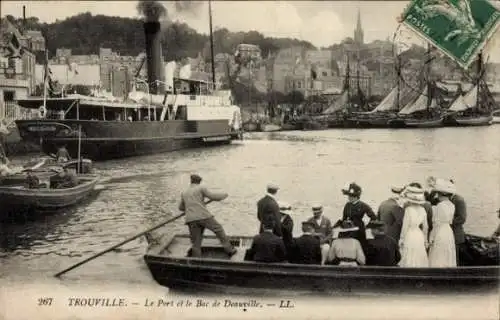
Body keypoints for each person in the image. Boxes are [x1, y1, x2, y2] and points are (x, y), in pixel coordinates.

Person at [179, 174, 237, 258]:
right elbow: (213, 197)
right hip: (203, 216)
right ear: (199, 182)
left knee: (196, 242)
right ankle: (230, 250)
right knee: (218, 229)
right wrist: (223, 196)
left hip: (190, 219)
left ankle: (196, 259)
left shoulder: (184, 192)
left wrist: (191, 206)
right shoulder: (201, 188)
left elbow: (181, 208)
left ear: (191, 181)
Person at [427, 176, 468, 266]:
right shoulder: (441, 199)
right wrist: (433, 188)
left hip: (454, 232)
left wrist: (447, 223)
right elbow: (430, 201)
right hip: (445, 232)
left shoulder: (459, 200)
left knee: (452, 257)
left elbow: (462, 218)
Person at [428, 179, 457, 267]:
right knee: (447, 251)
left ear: (441, 194)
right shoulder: (452, 205)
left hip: (440, 231)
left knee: (439, 253)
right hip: (448, 231)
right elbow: (450, 221)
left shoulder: (440, 206)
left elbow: (436, 223)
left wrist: (431, 237)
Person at [398, 186, 429, 268]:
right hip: (419, 234)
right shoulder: (423, 210)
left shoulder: (408, 209)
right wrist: (425, 240)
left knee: (409, 253)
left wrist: (401, 238)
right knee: (419, 253)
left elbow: (405, 226)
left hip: (410, 233)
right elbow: (426, 227)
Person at [341, 182, 377, 249]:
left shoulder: (363, 205)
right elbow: (344, 218)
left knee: (360, 247)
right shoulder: (347, 205)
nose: (349, 197)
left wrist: (367, 226)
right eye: (349, 195)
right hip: (348, 231)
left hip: (359, 231)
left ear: (357, 197)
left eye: (352, 196)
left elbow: (373, 217)